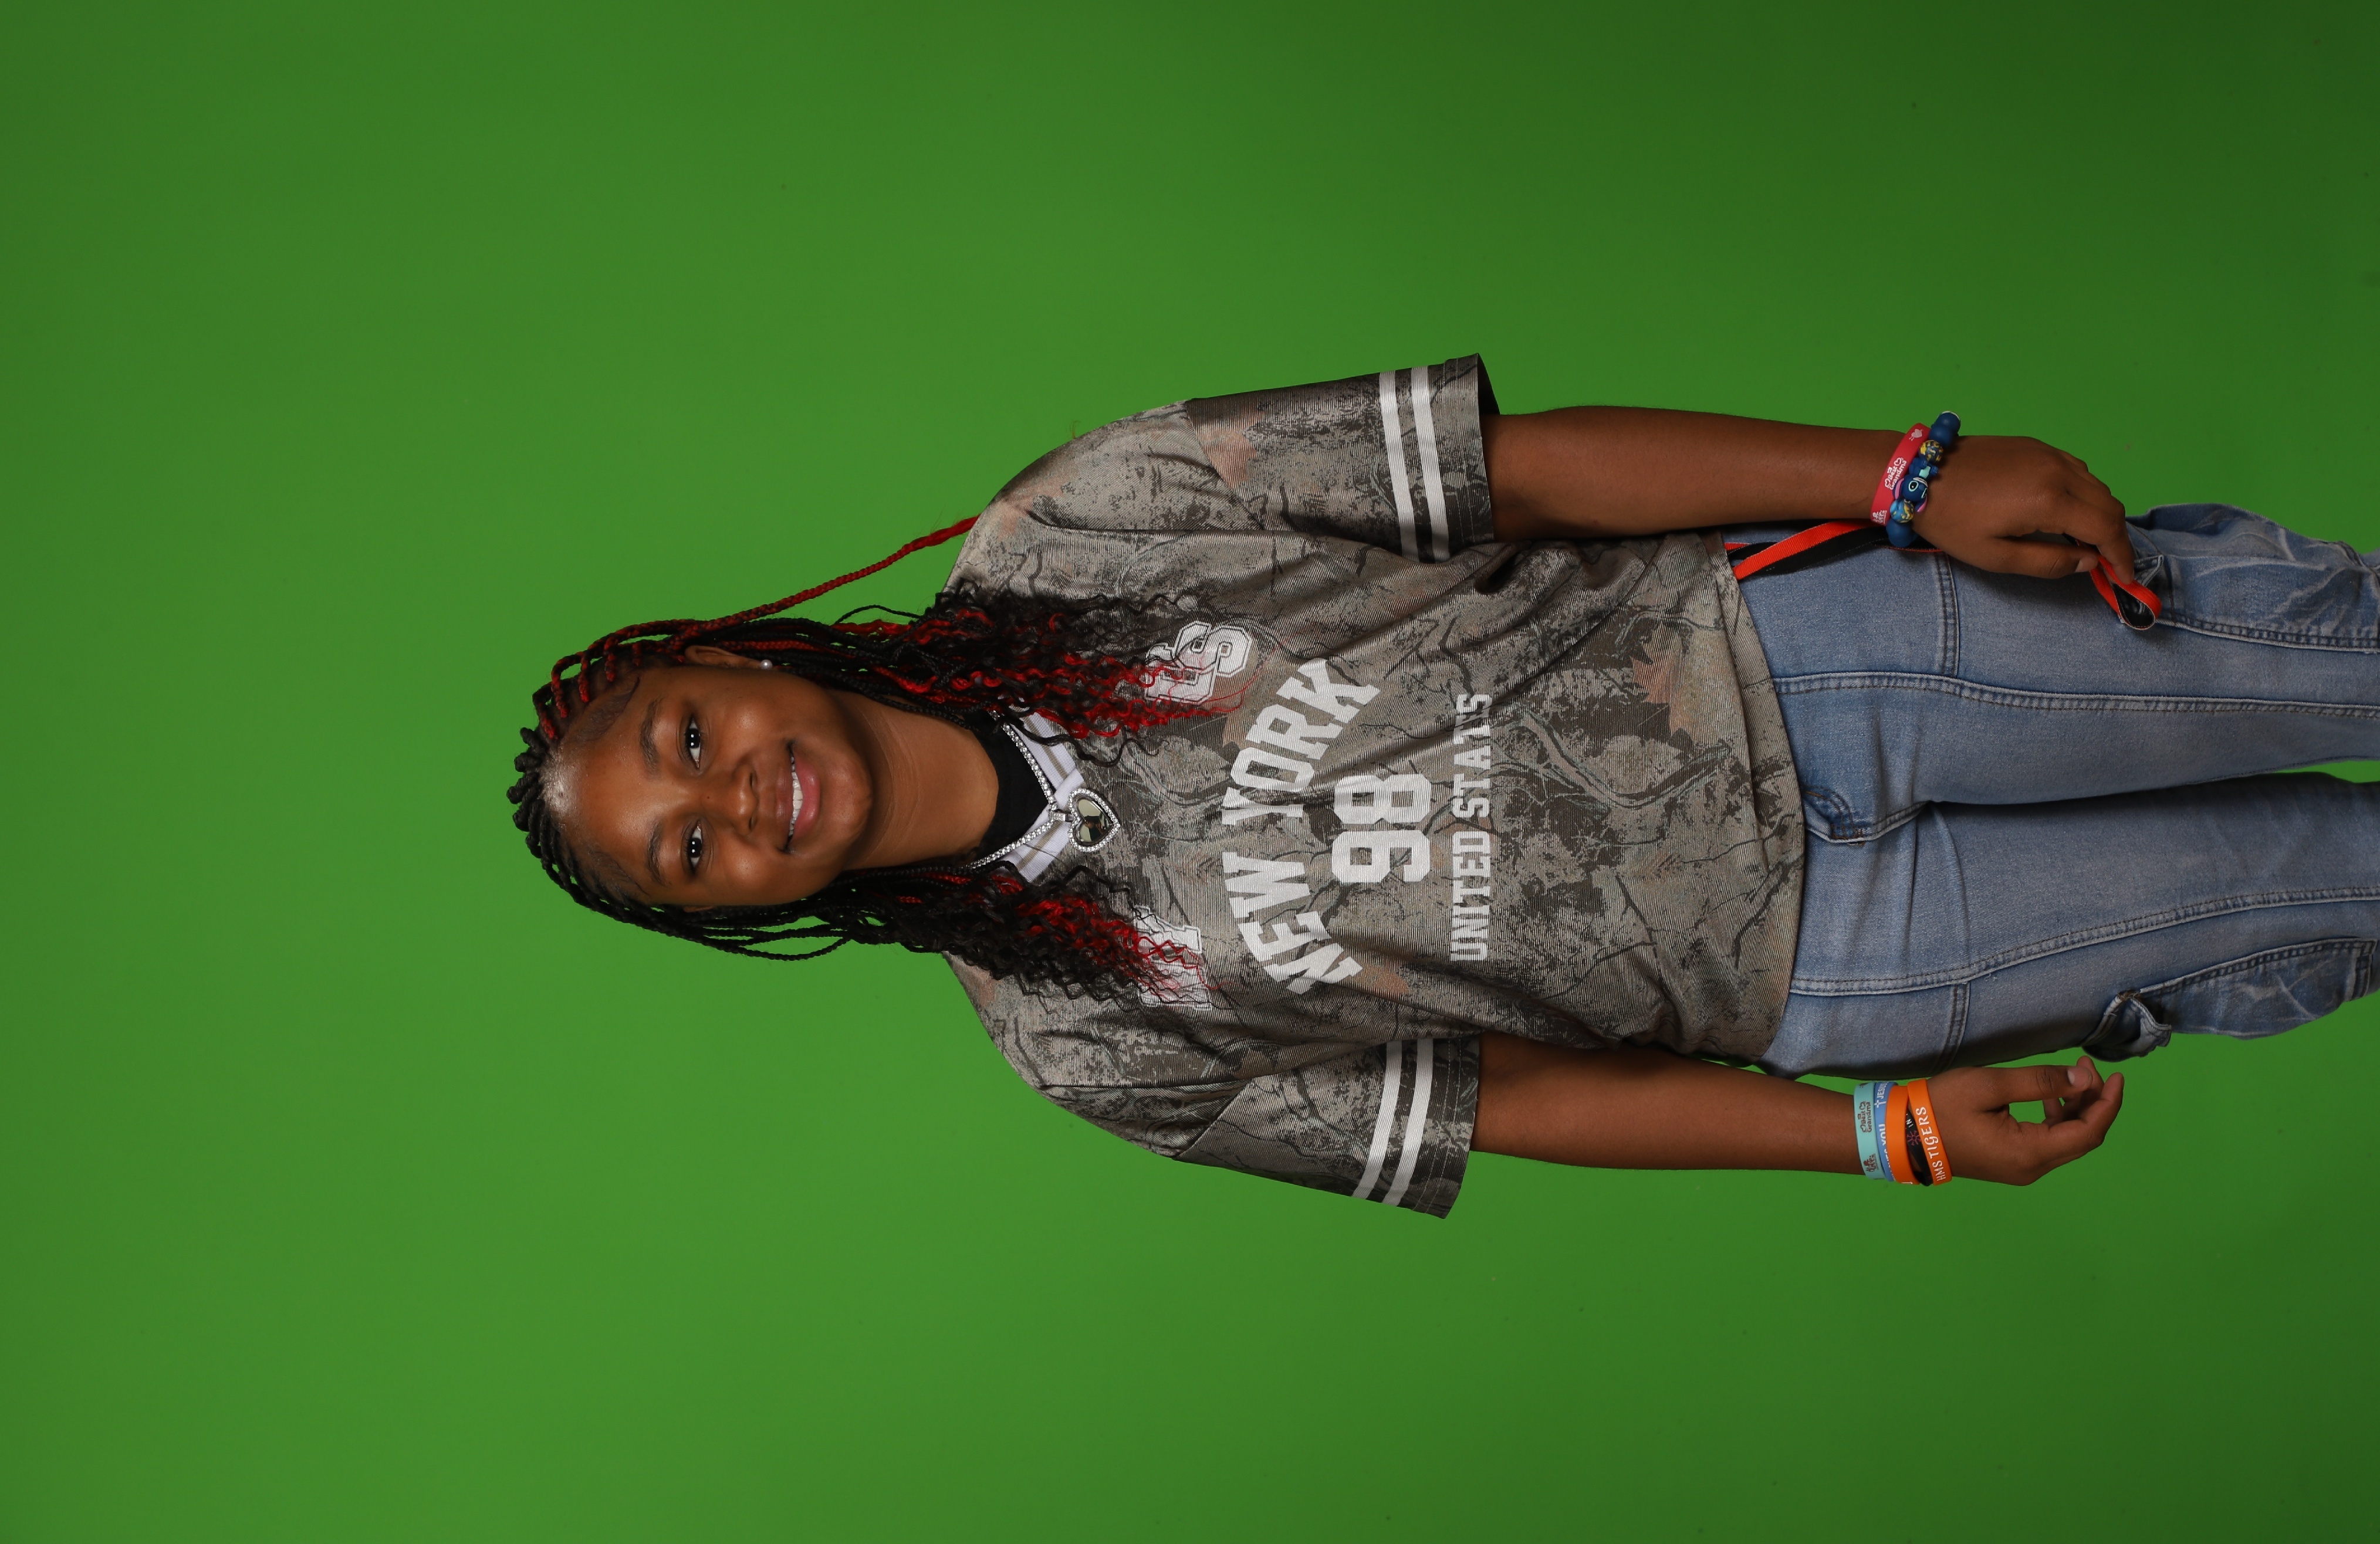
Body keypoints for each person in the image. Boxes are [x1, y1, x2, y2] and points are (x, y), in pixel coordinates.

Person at [506, 357, 2380, 1215]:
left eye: (690, 741)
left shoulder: (1078, 525)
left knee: (2330, 659)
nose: (733, 804)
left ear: (735, 662)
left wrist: (1898, 476)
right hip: (1832, 963)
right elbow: (1515, 1101)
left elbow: (1525, 472)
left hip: (1813, 662)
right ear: (741, 915)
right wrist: (1873, 1138)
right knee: (2330, 885)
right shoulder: (1081, 1047)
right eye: (692, 856)